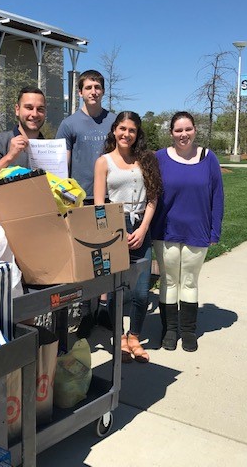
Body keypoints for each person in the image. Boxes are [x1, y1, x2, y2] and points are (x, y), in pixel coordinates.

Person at [151, 112, 224, 352]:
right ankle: (170, 329)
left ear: (195, 130)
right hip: (166, 230)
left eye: (188, 129)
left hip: (197, 230)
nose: (183, 134)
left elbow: (217, 196)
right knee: (169, 280)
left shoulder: (208, 158)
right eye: (178, 130)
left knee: (190, 281)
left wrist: (214, 231)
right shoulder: (159, 158)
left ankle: (188, 330)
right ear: (171, 133)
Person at [94, 111, 162, 363]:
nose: (126, 134)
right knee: (114, 290)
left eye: (132, 130)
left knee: (142, 290)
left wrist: (143, 228)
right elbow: (99, 205)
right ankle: (119, 337)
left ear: (137, 133)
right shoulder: (103, 162)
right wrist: (112, 233)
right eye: (122, 128)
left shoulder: (147, 160)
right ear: (114, 130)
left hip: (141, 226)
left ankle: (135, 336)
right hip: (115, 226)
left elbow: (153, 197)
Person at [56, 70, 117, 337]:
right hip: (80, 199)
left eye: (98, 87)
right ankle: (85, 311)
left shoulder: (114, 121)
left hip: (110, 198)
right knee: (84, 257)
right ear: (80, 91)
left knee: (107, 256)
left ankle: (104, 306)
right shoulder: (69, 124)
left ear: (103, 90)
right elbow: (61, 166)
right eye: (88, 87)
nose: (94, 91)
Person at [0, 86, 47, 218]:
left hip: (42, 225)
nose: (34, 114)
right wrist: (9, 157)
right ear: (17, 110)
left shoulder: (50, 149)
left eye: (40, 109)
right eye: (29, 108)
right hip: (4, 227)